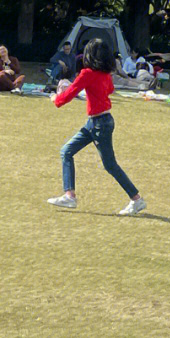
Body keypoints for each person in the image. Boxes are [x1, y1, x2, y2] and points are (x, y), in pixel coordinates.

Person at [47, 38, 145, 215]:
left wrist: (56, 98)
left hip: (98, 125)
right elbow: (109, 90)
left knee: (110, 165)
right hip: (98, 122)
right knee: (66, 151)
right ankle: (69, 195)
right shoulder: (104, 74)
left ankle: (136, 199)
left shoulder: (87, 73)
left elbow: (68, 95)